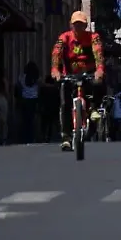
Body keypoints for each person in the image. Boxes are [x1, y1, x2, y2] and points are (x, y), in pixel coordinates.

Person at [50, 10, 104, 151]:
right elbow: (56, 52)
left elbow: (98, 53)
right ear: (71, 25)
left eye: (81, 25)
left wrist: (99, 69)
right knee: (65, 104)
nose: (78, 27)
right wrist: (55, 70)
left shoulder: (93, 37)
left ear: (85, 25)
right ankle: (66, 138)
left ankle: (93, 108)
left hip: (89, 74)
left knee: (99, 83)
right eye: (76, 25)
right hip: (70, 76)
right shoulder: (65, 37)